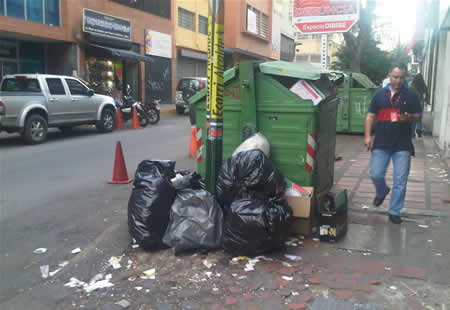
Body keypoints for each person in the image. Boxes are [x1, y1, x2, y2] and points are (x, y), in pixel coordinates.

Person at [364, 63, 422, 224]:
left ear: (406, 78)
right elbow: (370, 116)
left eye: (401, 78)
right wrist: (368, 136)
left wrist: (410, 117)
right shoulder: (379, 95)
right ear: (389, 75)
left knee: (400, 180)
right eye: (395, 77)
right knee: (375, 174)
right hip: (381, 142)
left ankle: (394, 211)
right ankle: (382, 191)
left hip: (402, 144)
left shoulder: (411, 95)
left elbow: (418, 115)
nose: (398, 81)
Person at [409, 73, 428, 138]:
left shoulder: (412, 86)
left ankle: (412, 133)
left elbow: (409, 94)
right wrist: (425, 100)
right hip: (421, 102)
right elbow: (427, 93)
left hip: (413, 103)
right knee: (419, 118)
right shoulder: (424, 85)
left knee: (413, 118)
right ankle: (419, 130)